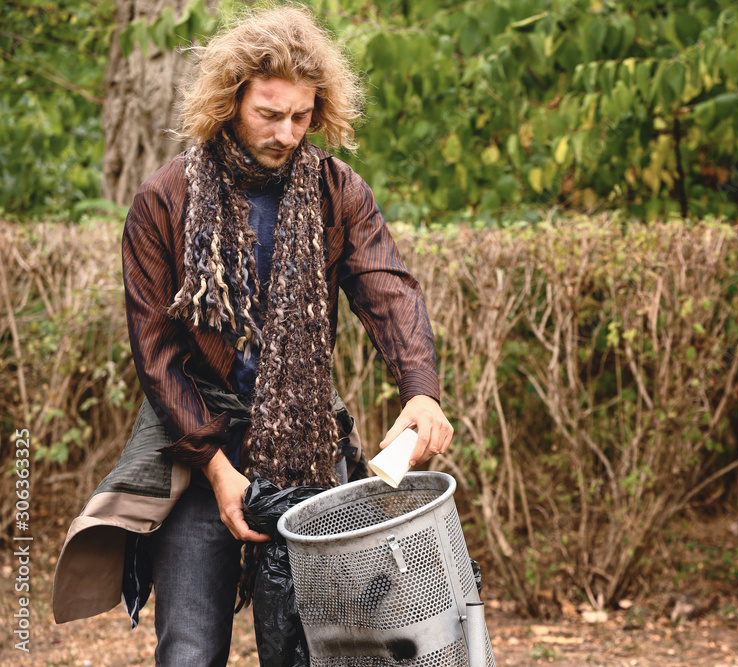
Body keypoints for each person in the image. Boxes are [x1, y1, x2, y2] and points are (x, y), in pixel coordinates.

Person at [52, 5, 453, 665]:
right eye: (270, 113)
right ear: (230, 100)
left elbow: (389, 288)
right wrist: (217, 469)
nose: (288, 132)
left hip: (306, 447)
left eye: (302, 115)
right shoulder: (166, 197)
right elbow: (156, 357)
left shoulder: (334, 189)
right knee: (188, 649)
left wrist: (421, 388)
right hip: (198, 445)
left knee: (322, 650)